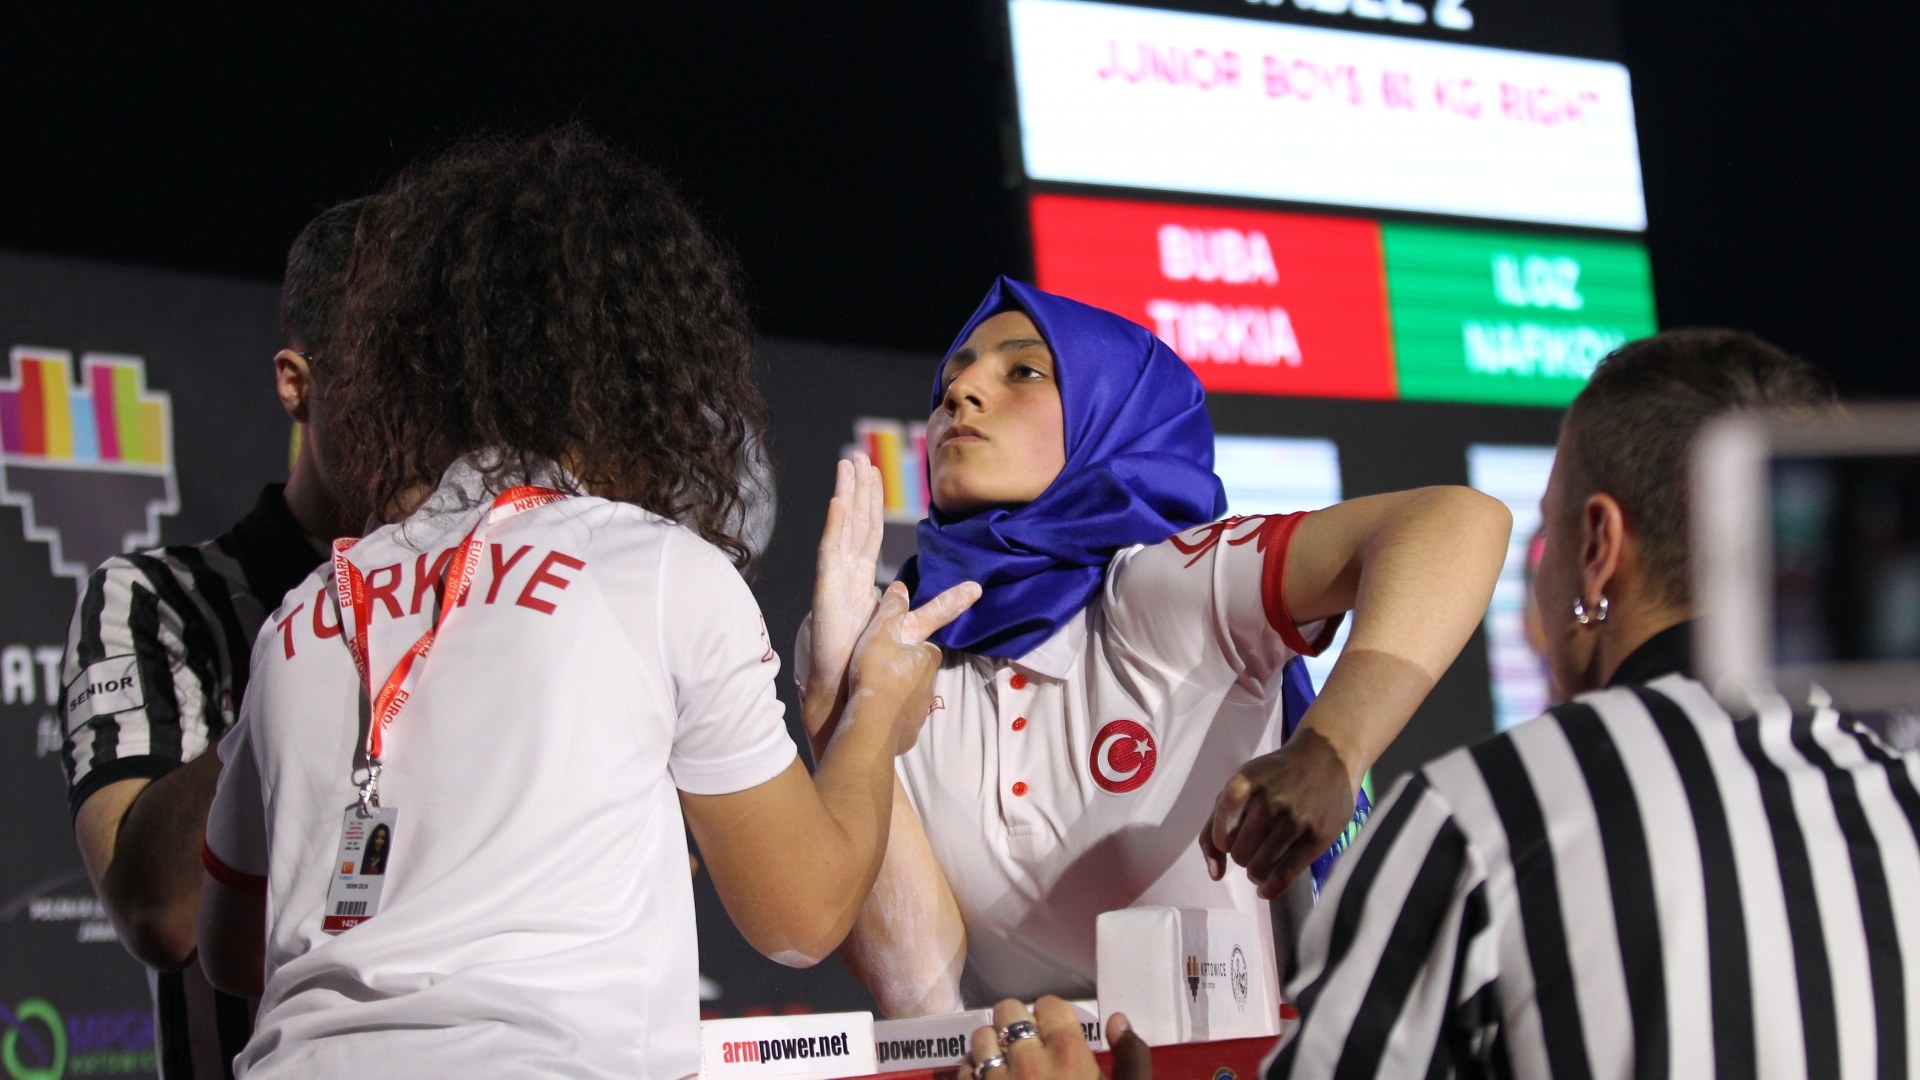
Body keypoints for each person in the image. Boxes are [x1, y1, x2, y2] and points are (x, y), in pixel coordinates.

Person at [193, 127, 978, 1080]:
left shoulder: (311, 610)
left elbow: (233, 949)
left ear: (409, 364)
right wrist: (871, 715)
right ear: (641, 363)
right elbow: (801, 915)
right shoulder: (654, 572)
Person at [799, 277, 1513, 1013]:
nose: (962, 391)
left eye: (1024, 371)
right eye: (951, 377)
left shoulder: (1162, 591)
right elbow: (925, 999)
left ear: (1116, 414)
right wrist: (837, 708)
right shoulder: (899, 649)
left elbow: (1455, 522)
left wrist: (1333, 747)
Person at [59, 197, 367, 1080]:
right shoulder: (155, 599)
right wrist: (320, 646)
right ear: (297, 383)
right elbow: (159, 911)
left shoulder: (488, 606)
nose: (418, 423)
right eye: (388, 377)